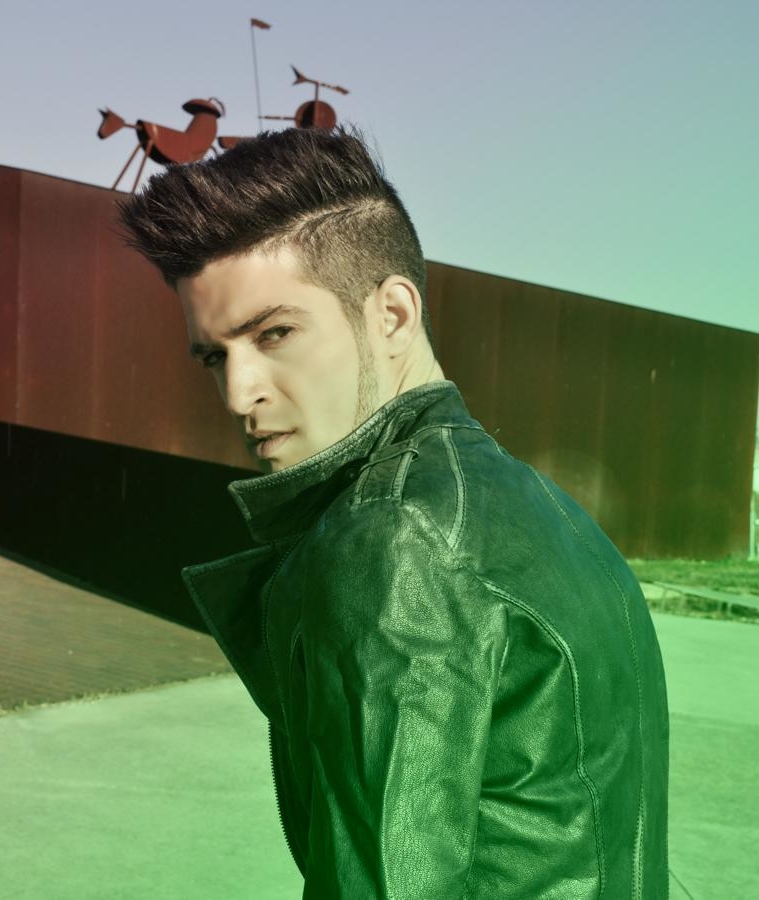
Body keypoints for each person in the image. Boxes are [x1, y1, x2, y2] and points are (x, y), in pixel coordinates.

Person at [117, 124, 669, 899]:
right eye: (216, 356)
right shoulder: (549, 508)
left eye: (275, 333)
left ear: (394, 316)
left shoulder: (392, 539)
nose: (240, 393)